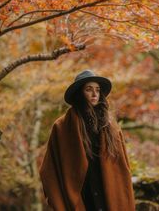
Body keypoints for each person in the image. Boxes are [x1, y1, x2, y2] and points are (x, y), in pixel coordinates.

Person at [39, 70, 135, 211]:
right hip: (81, 196)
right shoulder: (62, 127)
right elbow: (49, 170)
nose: (94, 94)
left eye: (97, 90)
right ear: (79, 93)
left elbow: (122, 169)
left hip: (107, 194)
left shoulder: (111, 127)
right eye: (88, 89)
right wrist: (57, 202)